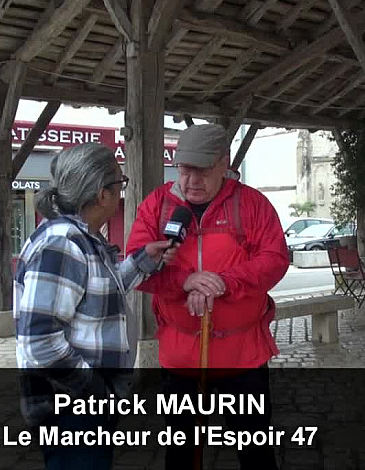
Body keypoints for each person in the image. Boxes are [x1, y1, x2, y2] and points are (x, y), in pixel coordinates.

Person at [126, 123, 290, 470]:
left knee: (256, 451)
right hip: (180, 357)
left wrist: (222, 282)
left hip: (243, 356)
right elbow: (136, 267)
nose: (191, 181)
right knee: (182, 454)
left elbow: (275, 260)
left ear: (224, 163)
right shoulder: (156, 205)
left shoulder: (252, 204)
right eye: (185, 170)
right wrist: (185, 282)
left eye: (202, 170)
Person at [14, 143, 178, 470]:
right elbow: (40, 342)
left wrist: (143, 261)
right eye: (120, 184)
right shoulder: (63, 243)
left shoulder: (83, 237)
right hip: (72, 408)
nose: (121, 193)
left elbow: (98, 293)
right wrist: (95, 389)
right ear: (102, 193)